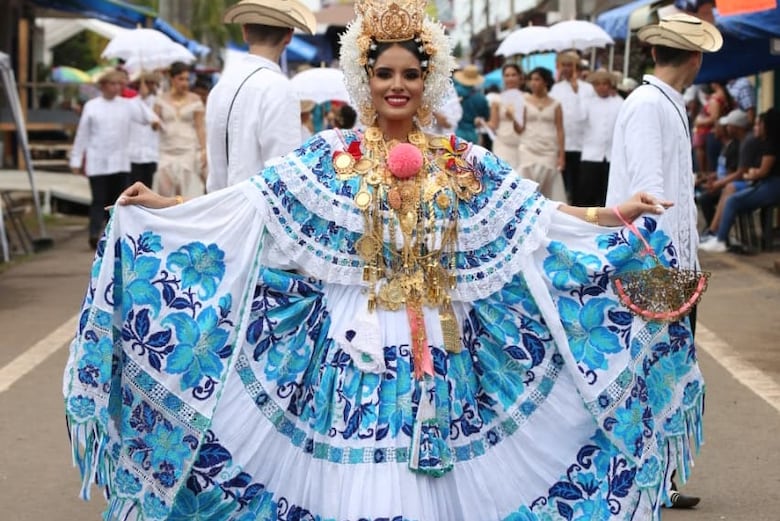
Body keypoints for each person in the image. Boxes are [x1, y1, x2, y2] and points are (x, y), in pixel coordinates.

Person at [64, 2, 704, 520]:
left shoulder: (458, 157)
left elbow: (535, 220)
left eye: (410, 74)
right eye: (384, 74)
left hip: (444, 350)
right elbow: (247, 208)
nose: (397, 86)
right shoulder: (331, 155)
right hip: (354, 344)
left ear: (430, 80)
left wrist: (613, 214)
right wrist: (165, 207)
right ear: (364, 80)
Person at [606, 13, 724, 508]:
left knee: (662, 374)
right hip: (654, 265)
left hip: (666, 264)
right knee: (649, 375)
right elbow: (652, 196)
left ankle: (658, 480)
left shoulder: (659, 102)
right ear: (694, 59)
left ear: (656, 53)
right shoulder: (651, 105)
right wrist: (669, 271)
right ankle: (644, 481)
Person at [205, 0, 317, 192]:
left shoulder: (221, 87)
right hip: (257, 214)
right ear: (289, 36)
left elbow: (215, 167)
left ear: (245, 31)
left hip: (219, 209)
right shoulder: (279, 88)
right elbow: (284, 174)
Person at [68, 68, 158, 249]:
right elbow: (82, 134)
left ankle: (115, 235)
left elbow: (147, 117)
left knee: (118, 200)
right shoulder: (92, 106)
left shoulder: (127, 104)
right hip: (98, 160)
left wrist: (143, 100)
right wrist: (76, 159)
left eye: (120, 84)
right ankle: (94, 233)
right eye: (113, 83)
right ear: (103, 86)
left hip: (120, 161)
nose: (117, 87)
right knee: (98, 199)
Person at [700, 108, 780, 253]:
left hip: (772, 186)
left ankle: (721, 239)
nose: (757, 127)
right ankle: (716, 234)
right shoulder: (749, 142)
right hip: (768, 184)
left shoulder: (770, 144)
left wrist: (752, 174)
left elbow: (762, 171)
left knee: (733, 200)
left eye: (760, 124)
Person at [154, 61, 208, 198]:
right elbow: (154, 124)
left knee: (188, 190)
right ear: (172, 79)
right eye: (181, 79)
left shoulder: (195, 99)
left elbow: (200, 127)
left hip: (188, 149)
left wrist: (203, 149)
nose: (185, 83)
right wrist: (155, 122)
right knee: (164, 190)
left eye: (187, 79)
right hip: (167, 150)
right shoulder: (161, 99)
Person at [550, 51, 595, 202]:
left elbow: (585, 115)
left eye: (570, 65)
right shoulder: (555, 89)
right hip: (561, 144)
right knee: (561, 184)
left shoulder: (587, 88)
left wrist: (576, 91)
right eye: (564, 65)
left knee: (579, 184)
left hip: (581, 143)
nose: (567, 69)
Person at [517, 66, 566, 201]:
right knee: (527, 180)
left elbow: (560, 129)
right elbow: (519, 128)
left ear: (545, 82)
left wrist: (561, 155)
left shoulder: (556, 104)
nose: (533, 83)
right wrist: (513, 118)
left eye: (537, 79)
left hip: (549, 148)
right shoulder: (523, 100)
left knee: (549, 182)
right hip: (528, 146)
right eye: (531, 79)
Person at [577, 69, 623, 207]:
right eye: (597, 84)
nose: (601, 87)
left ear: (610, 85)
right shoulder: (588, 102)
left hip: (611, 154)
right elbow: (580, 117)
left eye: (605, 84)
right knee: (587, 191)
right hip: (591, 153)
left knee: (606, 191)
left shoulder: (619, 102)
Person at [481, 63, 524, 170]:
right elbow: (494, 124)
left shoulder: (527, 99)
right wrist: (481, 122)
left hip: (522, 145)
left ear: (520, 77)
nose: (510, 78)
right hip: (502, 144)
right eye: (507, 75)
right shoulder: (497, 100)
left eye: (513, 75)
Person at [128, 72, 161, 188]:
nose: (149, 86)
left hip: (152, 154)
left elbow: (156, 121)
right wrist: (142, 100)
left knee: (149, 189)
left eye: (152, 83)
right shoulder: (131, 103)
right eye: (146, 83)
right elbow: (143, 119)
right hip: (134, 155)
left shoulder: (159, 102)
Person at [453, 64, 490, 145]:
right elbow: (486, 117)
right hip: (473, 134)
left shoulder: (454, 92)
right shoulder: (481, 97)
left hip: (455, 132)